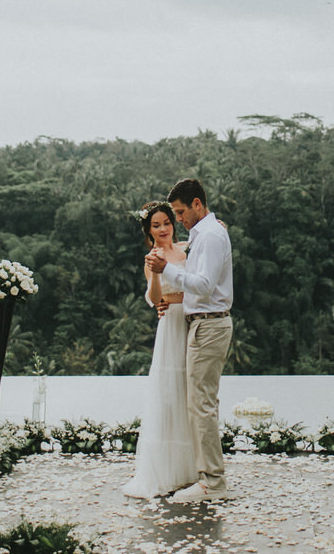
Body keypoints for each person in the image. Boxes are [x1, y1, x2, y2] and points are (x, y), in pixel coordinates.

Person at [147, 178, 233, 502]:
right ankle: (208, 477)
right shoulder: (205, 234)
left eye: (181, 212)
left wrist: (166, 270)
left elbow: (205, 284)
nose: (179, 220)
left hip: (210, 325)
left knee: (202, 406)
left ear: (197, 204)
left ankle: (212, 482)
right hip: (201, 325)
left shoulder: (210, 235)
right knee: (201, 404)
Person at [121, 201, 198, 498]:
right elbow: (155, 299)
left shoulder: (186, 248)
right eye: (157, 225)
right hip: (170, 324)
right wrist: (155, 273)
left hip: (192, 320)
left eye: (167, 222)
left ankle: (192, 469)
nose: (164, 229)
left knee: (189, 393)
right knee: (168, 394)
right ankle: (165, 470)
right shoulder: (151, 257)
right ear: (148, 230)